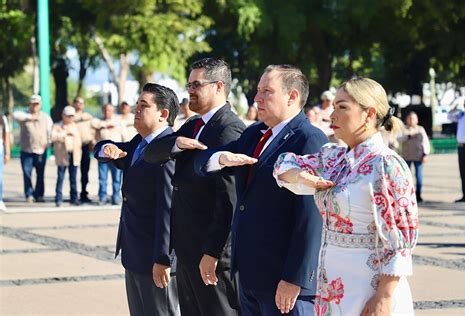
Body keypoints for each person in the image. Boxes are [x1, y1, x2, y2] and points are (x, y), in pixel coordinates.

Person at [273, 77, 418, 315]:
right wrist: (302, 178)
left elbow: (401, 240)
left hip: (370, 286)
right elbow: (282, 164)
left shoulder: (386, 164)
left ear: (368, 114)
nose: (332, 115)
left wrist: (384, 296)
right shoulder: (333, 158)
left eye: (342, 107)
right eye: (333, 107)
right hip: (333, 285)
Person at [190, 64, 327, 315]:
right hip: (250, 275)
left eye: (267, 91)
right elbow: (201, 162)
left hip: (282, 280)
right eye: (257, 90)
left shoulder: (309, 139)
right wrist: (222, 159)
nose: (257, 98)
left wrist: (295, 278)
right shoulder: (254, 134)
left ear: (292, 96)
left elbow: (311, 217)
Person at [143, 58, 244, 316]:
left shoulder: (229, 129)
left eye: (196, 84)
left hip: (210, 256)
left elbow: (229, 200)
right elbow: (152, 153)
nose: (190, 91)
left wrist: (213, 252)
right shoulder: (193, 125)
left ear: (219, 86)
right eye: (188, 84)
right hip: (187, 250)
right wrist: (176, 145)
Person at [94, 83, 180, 316]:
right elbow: (102, 148)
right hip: (134, 252)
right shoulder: (138, 143)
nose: (136, 110)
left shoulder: (168, 148)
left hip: (155, 257)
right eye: (137, 105)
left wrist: (163, 258)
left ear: (163, 114)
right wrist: (108, 149)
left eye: (144, 106)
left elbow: (167, 207)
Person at [13, 94, 53, 203]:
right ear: (29, 104)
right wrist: (30, 117)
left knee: (40, 174)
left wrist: (48, 144)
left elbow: (50, 132)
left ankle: (39, 194)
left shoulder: (45, 117)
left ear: (40, 105)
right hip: (27, 151)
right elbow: (15, 115)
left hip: (41, 150)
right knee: (27, 173)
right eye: (33, 104)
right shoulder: (24, 116)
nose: (35, 106)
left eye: (37, 104)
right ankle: (29, 194)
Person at [92, 103, 123, 205]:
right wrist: (105, 125)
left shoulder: (118, 122)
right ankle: (102, 197)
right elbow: (95, 134)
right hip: (103, 155)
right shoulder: (99, 123)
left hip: (115, 155)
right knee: (102, 177)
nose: (107, 112)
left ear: (113, 111)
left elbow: (124, 137)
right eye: (105, 110)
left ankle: (115, 198)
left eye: (109, 110)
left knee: (117, 178)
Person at [51, 106, 82, 207]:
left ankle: (74, 198)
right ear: (63, 115)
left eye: (71, 116)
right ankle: (58, 198)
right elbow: (53, 137)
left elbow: (79, 141)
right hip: (62, 155)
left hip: (74, 155)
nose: (69, 118)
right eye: (68, 116)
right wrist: (64, 133)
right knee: (60, 177)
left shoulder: (76, 127)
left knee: (73, 178)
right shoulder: (57, 126)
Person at [398, 111, 430, 202]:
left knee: (419, 176)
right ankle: (407, 194)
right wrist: (408, 136)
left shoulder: (420, 129)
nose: (412, 120)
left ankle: (418, 194)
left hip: (418, 156)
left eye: (414, 119)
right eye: (410, 118)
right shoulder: (403, 129)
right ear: (407, 120)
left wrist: (425, 154)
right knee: (406, 177)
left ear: (417, 120)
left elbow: (425, 143)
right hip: (406, 156)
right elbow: (398, 138)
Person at [448, 93, 465, 203]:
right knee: (463, 172)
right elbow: (449, 116)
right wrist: (454, 107)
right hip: (461, 147)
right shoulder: (462, 115)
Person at [72, 97, 94, 203]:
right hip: (74, 146)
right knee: (73, 171)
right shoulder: (71, 116)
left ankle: (84, 193)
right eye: (78, 102)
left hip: (85, 146)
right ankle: (74, 195)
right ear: (74, 104)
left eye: (82, 103)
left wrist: (92, 142)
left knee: (85, 172)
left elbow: (92, 130)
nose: (80, 104)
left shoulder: (88, 116)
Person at [0, 114, 11, 211]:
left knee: (0, 177)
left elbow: (6, 136)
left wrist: (7, 153)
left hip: (0, 151)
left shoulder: (2, 118)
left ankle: (0, 200)